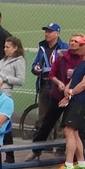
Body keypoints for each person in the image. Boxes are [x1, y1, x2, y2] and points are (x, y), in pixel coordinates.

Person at [50, 35, 85, 169]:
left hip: (81, 100)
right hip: (74, 100)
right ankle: (81, 163)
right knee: (75, 132)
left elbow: (84, 84)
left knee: (68, 131)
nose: (78, 47)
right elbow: (73, 81)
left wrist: (70, 93)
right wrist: (67, 93)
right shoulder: (82, 63)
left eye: (82, 45)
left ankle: (69, 165)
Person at [29, 24, 67, 157]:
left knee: (58, 117)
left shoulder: (64, 47)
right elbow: (34, 65)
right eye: (46, 31)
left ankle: (60, 145)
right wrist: (35, 69)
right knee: (43, 117)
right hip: (44, 84)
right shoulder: (42, 47)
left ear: (57, 33)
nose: (47, 34)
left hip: (57, 86)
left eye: (50, 32)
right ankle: (46, 144)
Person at [0, 35, 25, 160]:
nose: (5, 49)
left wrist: (4, 77)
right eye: (4, 47)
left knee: (4, 124)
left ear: (15, 48)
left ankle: (9, 155)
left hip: (5, 94)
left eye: (7, 47)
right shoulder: (3, 60)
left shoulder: (19, 61)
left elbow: (20, 80)